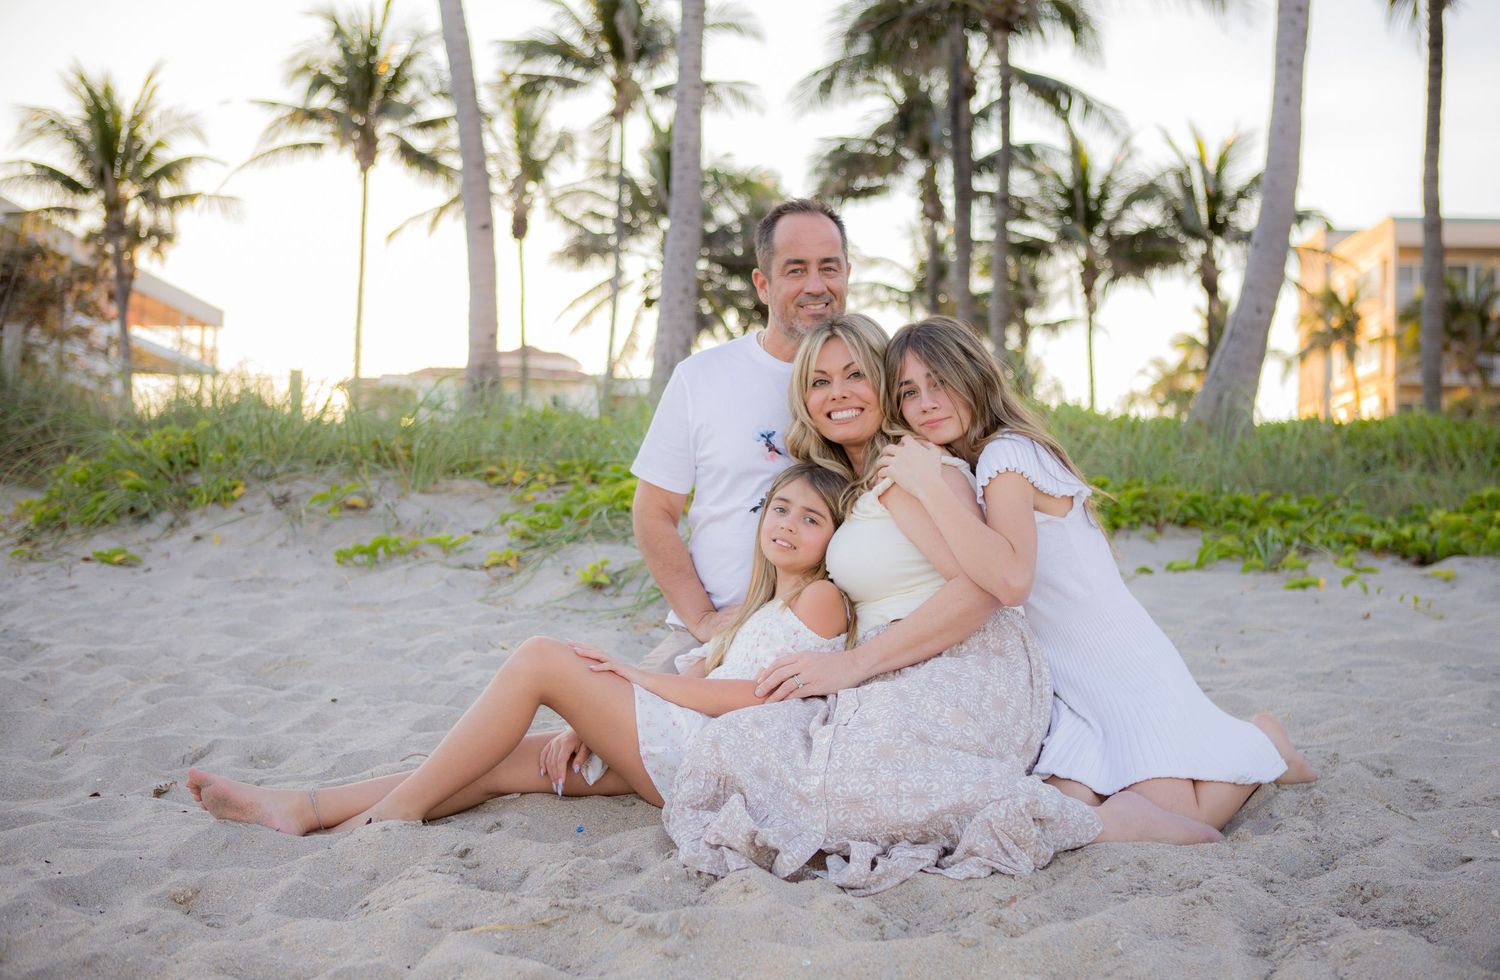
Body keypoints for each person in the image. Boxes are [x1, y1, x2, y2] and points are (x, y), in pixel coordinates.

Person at [664, 315, 1221, 896]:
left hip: (962, 660)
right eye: (819, 381)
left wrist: (853, 665)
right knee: (761, 750)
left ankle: (1091, 819)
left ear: (880, 387)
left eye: (856, 375)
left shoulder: (915, 470)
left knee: (845, 784)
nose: (838, 394)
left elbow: (986, 587)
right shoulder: (845, 483)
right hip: (899, 667)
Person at [185, 464, 853, 833]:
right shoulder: (756, 604)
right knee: (506, 760)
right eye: (780, 508)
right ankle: (309, 807)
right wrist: (590, 719)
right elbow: (702, 668)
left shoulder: (821, 597)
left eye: (811, 518)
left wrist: (629, 681)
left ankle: (392, 815)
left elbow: (751, 696)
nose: (789, 525)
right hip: (679, 744)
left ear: (835, 538)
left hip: (705, 753)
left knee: (541, 656)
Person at [875, 316, 1317, 830]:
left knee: (1180, 813)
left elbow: (1011, 580)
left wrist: (928, 486)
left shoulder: (1006, 455)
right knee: (1080, 795)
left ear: (974, 375)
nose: (925, 402)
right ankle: (1242, 744)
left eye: (940, 382)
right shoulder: (987, 459)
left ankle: (1263, 740)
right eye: (908, 391)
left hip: (1114, 658)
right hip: (1072, 671)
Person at [540, 198, 853, 784]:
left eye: (829, 266)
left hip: (808, 638)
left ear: (847, 273)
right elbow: (655, 513)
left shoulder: (868, 379)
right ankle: (373, 802)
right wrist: (706, 620)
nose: (816, 285)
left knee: (609, 755)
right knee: (571, 750)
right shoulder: (703, 378)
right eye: (795, 269)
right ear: (762, 283)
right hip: (706, 629)